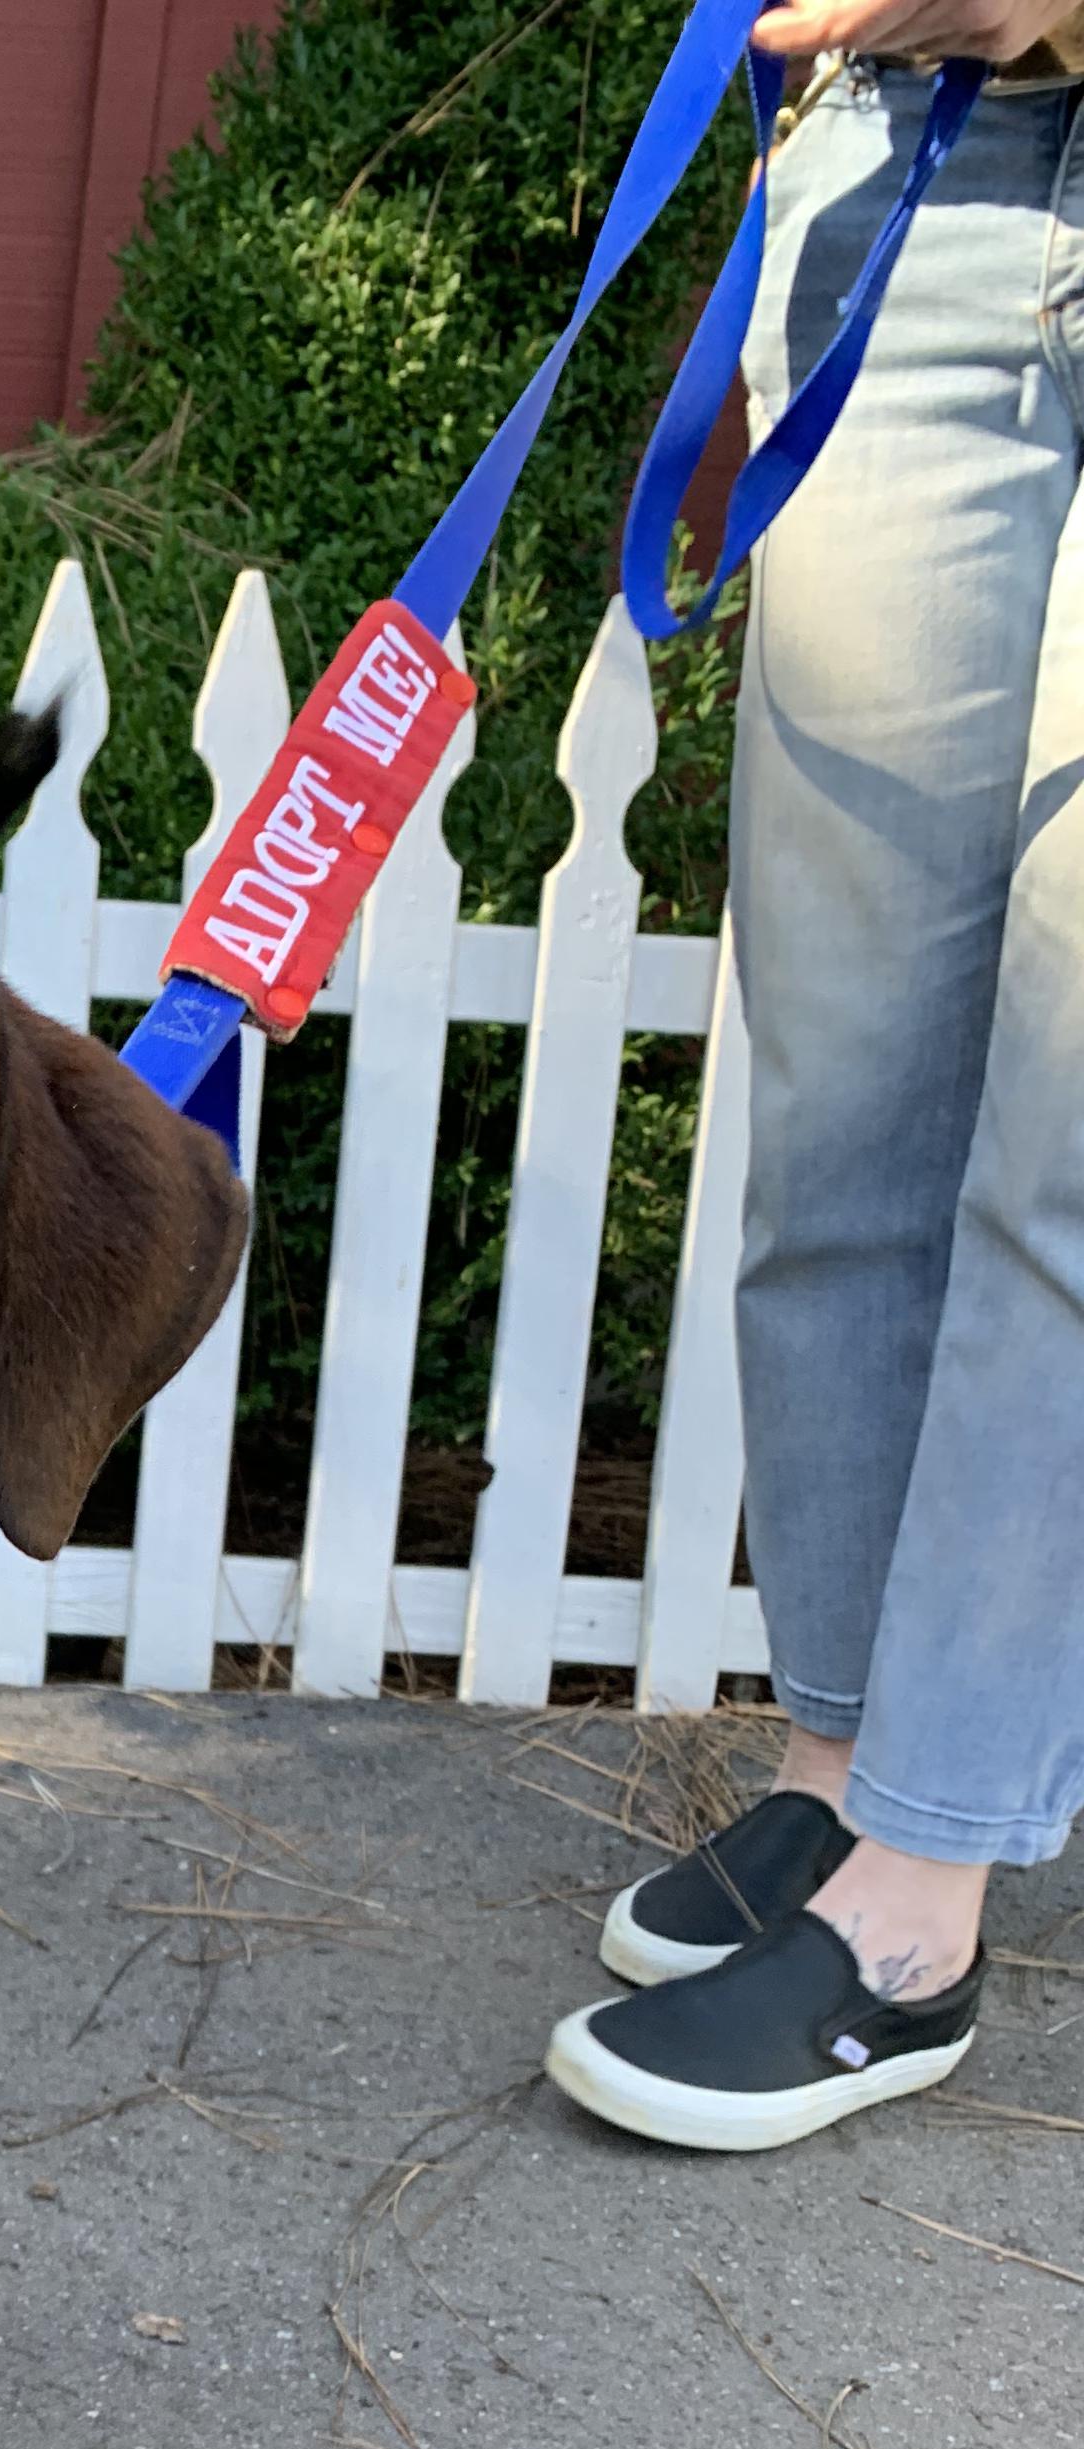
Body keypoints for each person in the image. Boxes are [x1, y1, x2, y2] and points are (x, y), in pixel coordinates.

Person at [546, 0, 1084, 2150]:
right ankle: (848, 1757)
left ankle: (921, 1903)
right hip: (919, 167)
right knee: (846, 1073)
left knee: (1065, 1123)